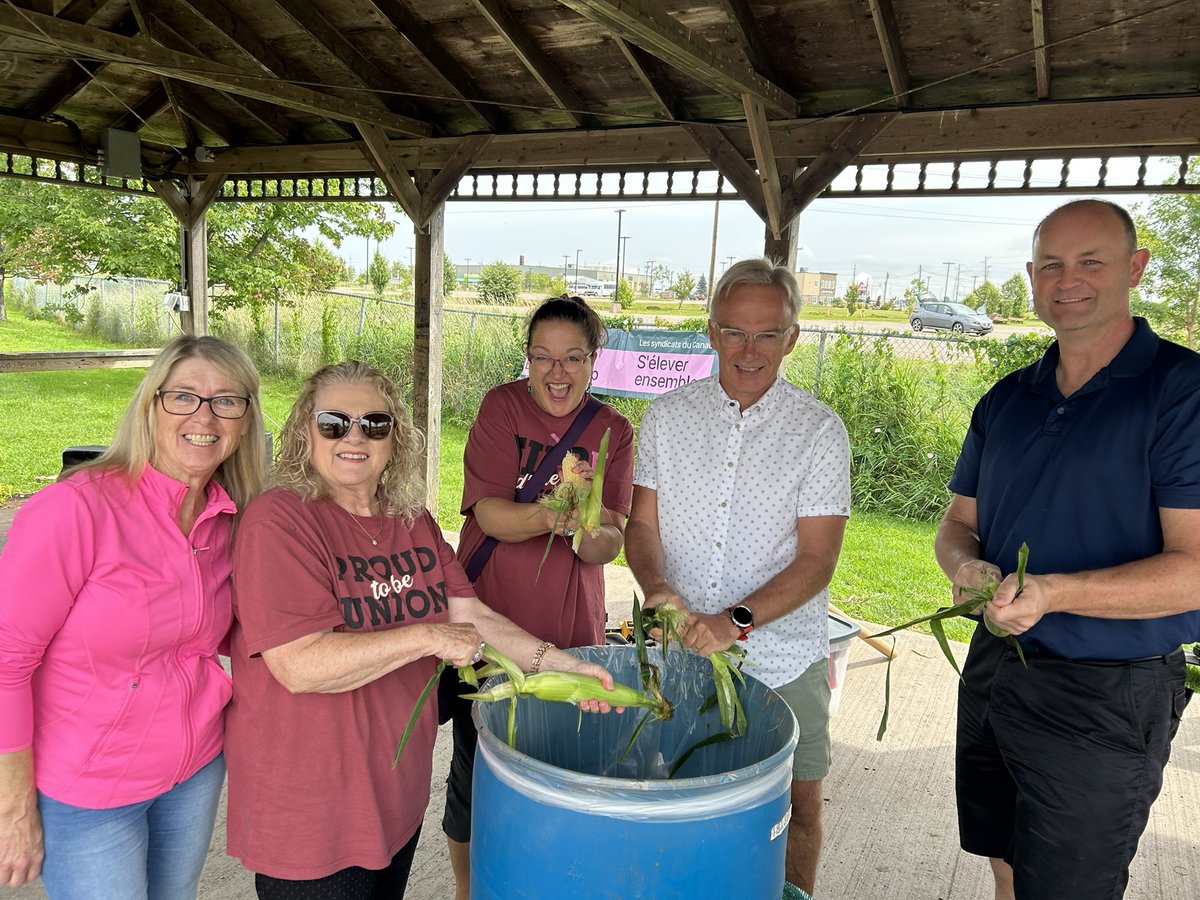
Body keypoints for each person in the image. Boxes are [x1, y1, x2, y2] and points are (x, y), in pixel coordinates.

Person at [224, 360, 619, 899]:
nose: (354, 437)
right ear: (303, 432)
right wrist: (427, 637)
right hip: (314, 812)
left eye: (375, 424)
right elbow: (299, 665)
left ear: (395, 439)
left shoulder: (410, 519)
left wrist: (567, 667)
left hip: (394, 797)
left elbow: (471, 615)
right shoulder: (280, 520)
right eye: (333, 423)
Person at [935, 199, 1200, 900]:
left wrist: (1053, 594)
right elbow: (957, 523)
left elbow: (1196, 572)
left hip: (1108, 688)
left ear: (1135, 268)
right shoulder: (1008, 398)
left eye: (1091, 261)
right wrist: (965, 566)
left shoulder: (1182, 391)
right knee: (1004, 863)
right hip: (996, 666)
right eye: (1050, 264)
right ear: (1031, 276)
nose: (1067, 279)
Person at [0, 335, 266, 898]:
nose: (205, 416)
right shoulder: (76, 509)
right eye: (183, 396)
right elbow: (6, 662)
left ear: (245, 421)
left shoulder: (229, 520)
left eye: (227, 401)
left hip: (193, 771)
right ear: (151, 406)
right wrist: (14, 805)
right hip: (89, 789)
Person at [625, 258, 850, 895]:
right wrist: (657, 589)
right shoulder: (667, 417)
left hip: (784, 657)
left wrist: (735, 622)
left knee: (797, 806)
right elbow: (641, 527)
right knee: (682, 791)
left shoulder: (819, 430)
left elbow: (818, 560)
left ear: (792, 337)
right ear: (712, 332)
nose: (749, 350)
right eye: (734, 332)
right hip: (681, 650)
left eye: (767, 334)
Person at [443, 294, 634, 898]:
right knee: (476, 772)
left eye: (573, 357)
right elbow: (491, 515)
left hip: (570, 629)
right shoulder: (501, 407)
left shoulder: (614, 431)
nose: (557, 371)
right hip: (491, 624)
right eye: (542, 356)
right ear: (527, 358)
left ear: (593, 360)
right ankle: (469, 889)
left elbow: (607, 544)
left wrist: (588, 529)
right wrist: (554, 516)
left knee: (562, 765)